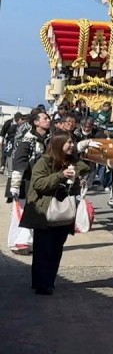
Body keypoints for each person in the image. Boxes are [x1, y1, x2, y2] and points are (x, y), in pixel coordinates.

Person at [22, 130, 91, 295]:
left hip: (63, 213)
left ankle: (49, 281)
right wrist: (60, 175)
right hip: (44, 211)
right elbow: (38, 183)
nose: (71, 145)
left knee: (56, 248)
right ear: (58, 144)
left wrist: (76, 169)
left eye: (72, 142)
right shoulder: (44, 161)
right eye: (68, 142)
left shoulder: (71, 162)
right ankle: (41, 284)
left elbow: (85, 168)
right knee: (43, 249)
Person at [8, 109, 52, 254]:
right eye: (44, 118)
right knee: (22, 212)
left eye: (48, 118)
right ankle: (20, 243)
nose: (48, 120)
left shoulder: (48, 139)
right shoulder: (27, 140)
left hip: (40, 182)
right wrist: (15, 185)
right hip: (25, 182)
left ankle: (27, 242)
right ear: (36, 122)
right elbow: (19, 162)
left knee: (34, 212)